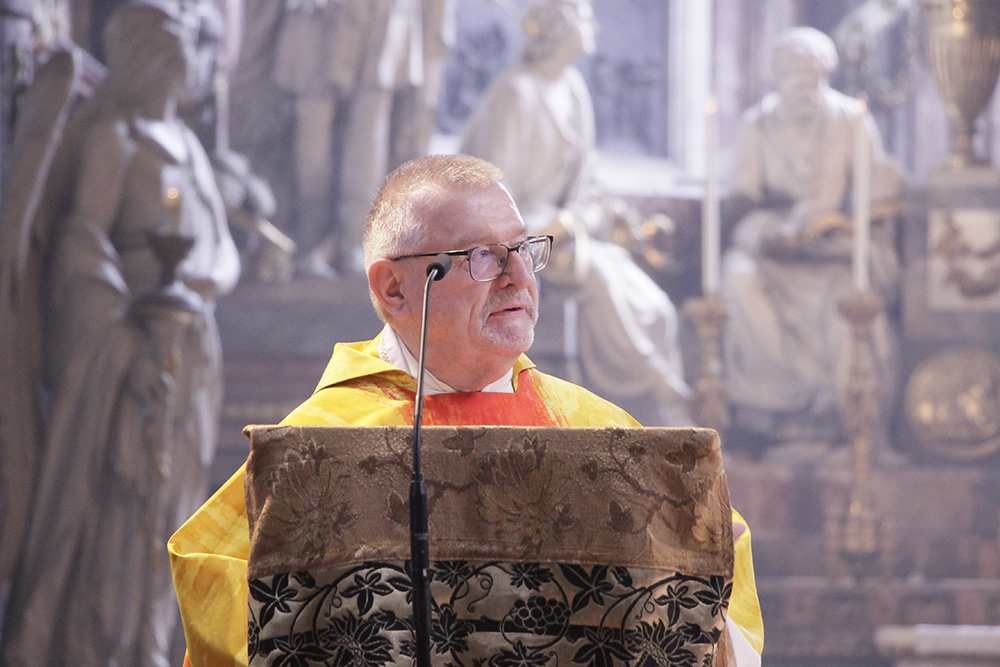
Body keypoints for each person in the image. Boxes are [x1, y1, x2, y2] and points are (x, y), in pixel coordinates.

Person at [169, 154, 764, 666]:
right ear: (393, 288)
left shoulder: (599, 434)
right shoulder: (316, 449)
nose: (518, 277)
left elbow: (712, 559)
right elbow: (217, 591)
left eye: (525, 249)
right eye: (482, 256)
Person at [0, 2, 240, 664]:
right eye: (166, 54)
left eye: (184, 53)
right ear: (139, 58)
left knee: (175, 501)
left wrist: (195, 282)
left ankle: (153, 638)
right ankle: (97, 641)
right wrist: (126, 347)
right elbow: (79, 244)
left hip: (191, 347)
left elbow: (223, 249)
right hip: (125, 347)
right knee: (113, 501)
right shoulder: (113, 139)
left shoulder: (187, 146)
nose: (179, 68)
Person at [459, 0, 691, 427]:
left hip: (567, 234)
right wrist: (550, 229)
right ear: (558, 29)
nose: (594, 27)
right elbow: (488, 193)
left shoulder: (572, 89)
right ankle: (647, 393)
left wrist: (582, 217)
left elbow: (587, 183)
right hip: (522, 241)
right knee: (606, 283)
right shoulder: (516, 93)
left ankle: (653, 400)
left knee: (654, 305)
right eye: (584, 19)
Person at [721, 26, 901, 459]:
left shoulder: (851, 119)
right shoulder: (757, 124)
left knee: (848, 304)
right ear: (776, 78)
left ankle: (843, 419)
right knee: (736, 282)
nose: (805, 86)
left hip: (832, 254)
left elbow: (877, 194)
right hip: (773, 249)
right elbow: (740, 202)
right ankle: (781, 412)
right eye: (794, 75)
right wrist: (771, 234)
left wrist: (846, 226)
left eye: (813, 75)